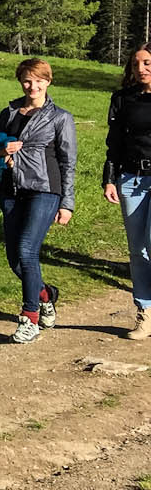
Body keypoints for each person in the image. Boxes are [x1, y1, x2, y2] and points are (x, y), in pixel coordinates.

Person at [0, 58, 76, 343]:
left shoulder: (60, 117)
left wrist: (67, 203)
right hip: (11, 189)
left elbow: (68, 162)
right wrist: (2, 150)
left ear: (48, 81)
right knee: (15, 259)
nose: (32, 86)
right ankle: (46, 295)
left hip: (45, 189)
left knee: (27, 249)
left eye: (38, 80)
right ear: (20, 82)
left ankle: (29, 318)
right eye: (27, 80)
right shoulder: (9, 112)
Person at [103, 43, 151, 340]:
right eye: (136, 64)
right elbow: (114, 143)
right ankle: (145, 311)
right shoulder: (122, 99)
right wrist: (109, 179)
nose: (141, 69)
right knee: (137, 249)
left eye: (147, 63)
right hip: (132, 179)